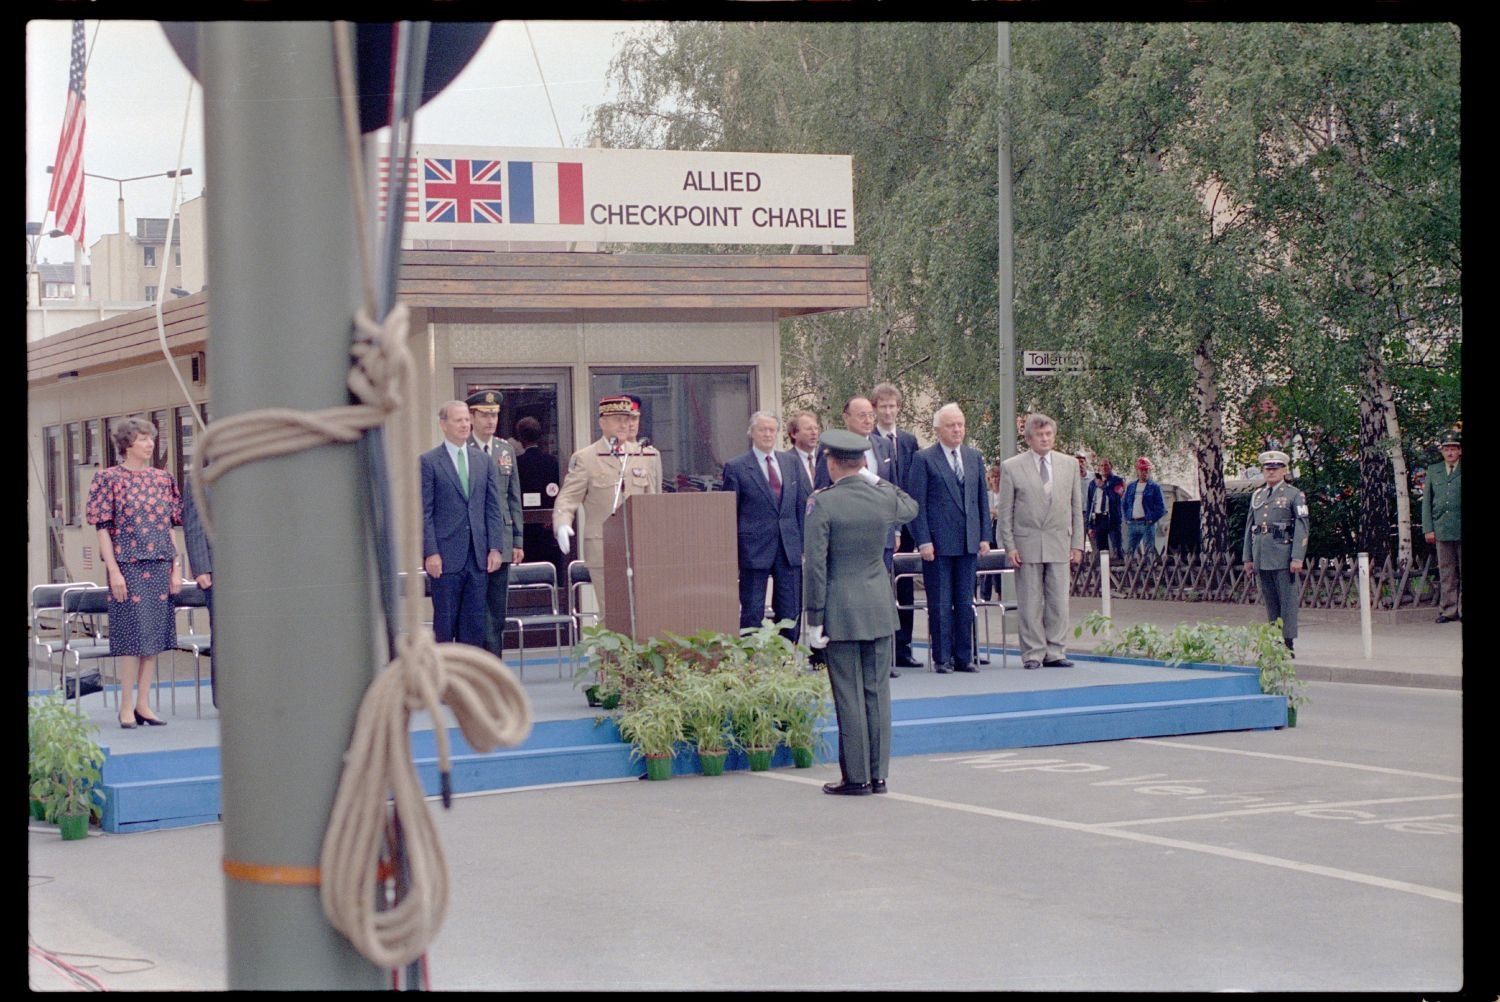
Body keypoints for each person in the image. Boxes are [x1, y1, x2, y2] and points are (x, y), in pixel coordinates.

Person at [802, 429, 919, 796]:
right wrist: (874, 478)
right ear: (863, 463)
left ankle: (856, 777)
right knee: (877, 693)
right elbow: (910, 505)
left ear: (831, 462)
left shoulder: (822, 503)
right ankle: (879, 774)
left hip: (840, 610)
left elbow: (816, 567)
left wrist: (814, 618)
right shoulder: (881, 498)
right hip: (879, 608)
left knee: (849, 693)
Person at [85, 416, 181, 729]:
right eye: (142, 439)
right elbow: (102, 529)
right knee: (132, 638)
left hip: (160, 563)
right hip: (128, 565)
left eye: (151, 438)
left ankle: (144, 704)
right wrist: (113, 571)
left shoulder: (162, 479)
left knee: (152, 638)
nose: (149, 444)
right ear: (127, 444)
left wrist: (176, 567)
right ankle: (125, 705)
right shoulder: (108, 479)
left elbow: (170, 526)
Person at [552, 393, 663, 620]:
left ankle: (638, 656)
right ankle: (611, 657)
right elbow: (567, 498)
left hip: (639, 544)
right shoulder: (586, 458)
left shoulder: (646, 455)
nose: (624, 424)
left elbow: (654, 501)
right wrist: (562, 523)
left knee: (643, 612)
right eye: (617, 419)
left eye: (627, 418)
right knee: (613, 613)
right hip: (603, 546)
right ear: (602, 422)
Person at [908, 404, 992, 673]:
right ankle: (942, 658)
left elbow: (981, 499)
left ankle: (964, 656)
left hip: (968, 542)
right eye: (951, 425)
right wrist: (923, 540)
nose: (957, 430)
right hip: (938, 544)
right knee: (941, 603)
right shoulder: (924, 459)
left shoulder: (973, 457)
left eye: (960, 424)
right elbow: (916, 504)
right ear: (938, 430)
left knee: (965, 601)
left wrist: (984, 537)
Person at [997, 412, 1084, 671]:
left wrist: (1077, 544)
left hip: (1059, 541)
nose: (1045, 439)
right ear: (1029, 439)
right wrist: (1009, 546)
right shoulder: (1012, 467)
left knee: (1059, 601)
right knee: (1031, 601)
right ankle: (1033, 653)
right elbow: (1005, 512)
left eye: (1049, 434)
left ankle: (1056, 651)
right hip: (1026, 543)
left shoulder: (1069, 465)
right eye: (1040, 435)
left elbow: (1076, 507)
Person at [421, 400, 504, 647]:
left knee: (474, 627)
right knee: (445, 626)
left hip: (477, 557)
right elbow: (424, 512)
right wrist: (431, 552)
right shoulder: (429, 461)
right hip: (445, 557)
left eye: (467, 420)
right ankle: (444, 681)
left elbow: (492, 507)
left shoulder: (483, 461)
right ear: (443, 425)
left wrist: (495, 547)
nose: (465, 425)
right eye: (458, 420)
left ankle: (470, 679)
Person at [721, 411, 807, 641]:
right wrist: (733, 552)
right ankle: (752, 664)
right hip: (753, 550)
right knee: (752, 611)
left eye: (772, 430)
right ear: (752, 433)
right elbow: (730, 512)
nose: (767, 434)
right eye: (762, 429)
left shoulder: (791, 462)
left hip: (788, 548)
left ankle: (787, 661)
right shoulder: (737, 467)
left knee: (790, 610)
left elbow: (802, 504)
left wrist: (803, 544)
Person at [465, 390, 526, 659]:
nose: (491, 421)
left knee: (497, 608)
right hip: (472, 539)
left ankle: (495, 661)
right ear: (472, 416)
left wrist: (517, 541)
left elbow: (514, 497)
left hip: (501, 537)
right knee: (475, 607)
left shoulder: (505, 449)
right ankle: (480, 661)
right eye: (485, 415)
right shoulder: (462, 449)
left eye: (495, 415)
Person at [872, 382, 922, 669]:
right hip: (881, 525)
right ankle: (885, 648)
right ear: (876, 408)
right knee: (882, 588)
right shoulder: (870, 441)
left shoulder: (908, 441)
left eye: (893, 406)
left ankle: (904, 647)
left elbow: (912, 484)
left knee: (905, 590)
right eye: (883, 406)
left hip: (908, 524)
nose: (888, 411)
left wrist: (905, 524)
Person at [1241, 450, 1309, 654]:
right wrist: (1247, 557)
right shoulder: (1258, 495)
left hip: (1283, 554)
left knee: (1286, 601)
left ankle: (1287, 642)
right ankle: (1273, 639)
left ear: (1284, 470)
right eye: (1267, 469)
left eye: (1275, 468)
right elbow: (1250, 527)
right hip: (1262, 554)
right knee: (1270, 600)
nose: (1271, 472)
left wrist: (1297, 556)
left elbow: (1302, 526)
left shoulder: (1294, 494)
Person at [515, 415, 566, 585]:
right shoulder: (552, 462)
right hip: (547, 530)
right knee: (548, 572)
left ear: (520, 438)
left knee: (527, 572)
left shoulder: (517, 464)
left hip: (525, 531)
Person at [181, 472, 217, 708]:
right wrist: (201, 567)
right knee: (225, 636)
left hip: (256, 572)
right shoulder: (199, 479)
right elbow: (193, 525)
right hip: (216, 572)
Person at [1420, 427, 1462, 624]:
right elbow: (1427, 501)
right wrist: (1428, 528)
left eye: (1454, 448)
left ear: (1460, 450)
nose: (1450, 452)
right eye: (1446, 449)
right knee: (1446, 572)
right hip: (1442, 528)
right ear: (1442, 452)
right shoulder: (1433, 471)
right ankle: (1448, 610)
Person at [1121, 457, 1166, 557]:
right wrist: (1127, 518)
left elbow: (1161, 508)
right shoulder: (1131, 486)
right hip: (1132, 523)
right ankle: (1131, 571)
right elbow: (1124, 504)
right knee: (1129, 550)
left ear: (1149, 471)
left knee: (1149, 550)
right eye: (1141, 470)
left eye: (1146, 470)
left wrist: (1151, 519)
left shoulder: (1155, 487)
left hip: (1146, 524)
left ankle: (1150, 571)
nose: (1143, 472)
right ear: (1137, 470)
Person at [1086, 459, 1125, 562]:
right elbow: (1090, 504)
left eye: (1106, 465)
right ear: (1098, 468)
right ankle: (1104, 574)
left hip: (1112, 518)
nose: (1104, 468)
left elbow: (1115, 498)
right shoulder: (1093, 484)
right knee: (1102, 551)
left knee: (1117, 549)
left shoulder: (1118, 481)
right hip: (1099, 519)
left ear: (1111, 466)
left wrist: (1103, 487)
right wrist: (1090, 525)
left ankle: (1120, 573)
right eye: (1101, 465)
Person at [980, 464, 1003, 602]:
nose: (994, 480)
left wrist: (996, 512)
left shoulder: (1004, 494)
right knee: (986, 562)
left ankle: (1000, 591)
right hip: (989, 529)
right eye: (991, 477)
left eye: (996, 477)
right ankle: (985, 594)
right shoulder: (987, 495)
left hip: (999, 529)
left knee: (998, 561)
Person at [786, 410, 822, 493]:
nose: (814, 432)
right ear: (794, 434)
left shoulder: (826, 458)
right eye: (808, 429)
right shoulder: (785, 462)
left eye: (816, 428)